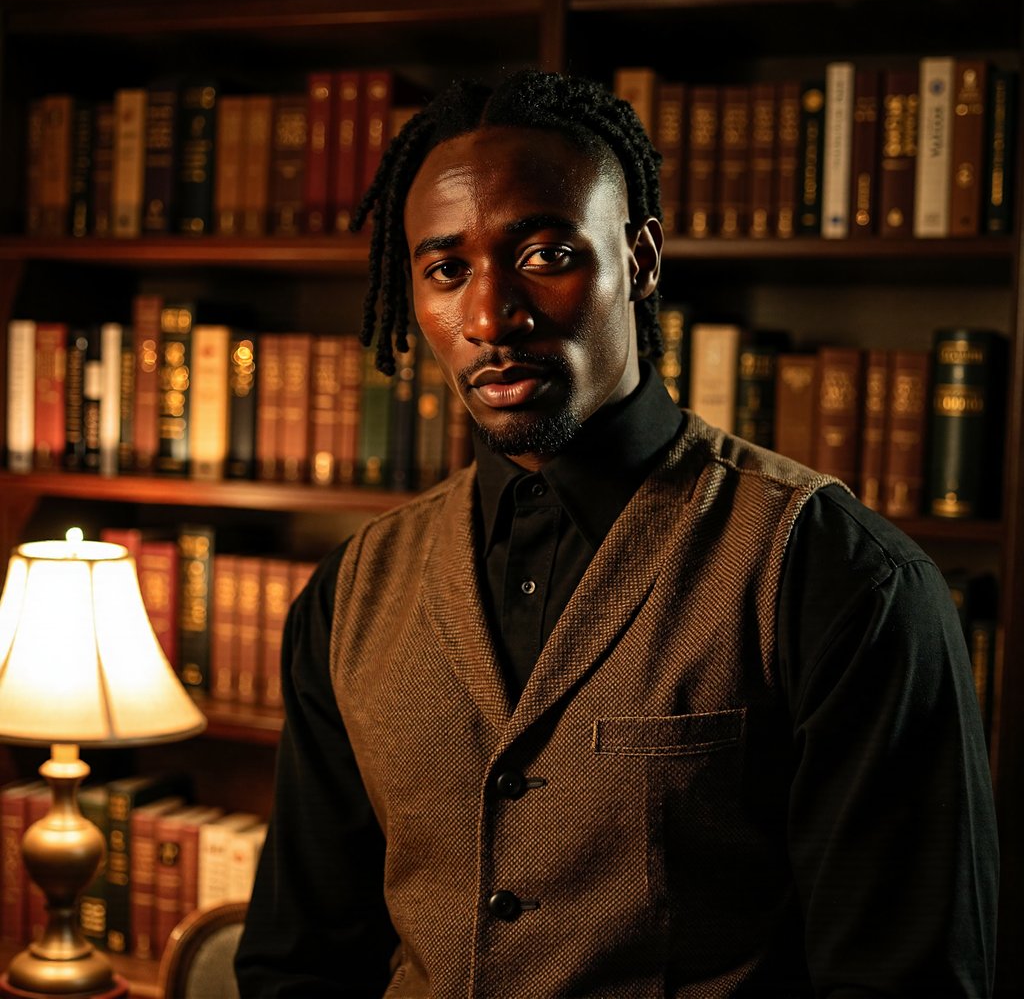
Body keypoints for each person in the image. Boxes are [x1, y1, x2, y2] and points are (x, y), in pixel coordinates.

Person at [235, 69, 999, 997]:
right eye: (447, 271)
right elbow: (299, 963)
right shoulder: (351, 591)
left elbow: (904, 983)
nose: (490, 317)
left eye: (546, 255)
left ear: (639, 258)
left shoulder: (838, 574)